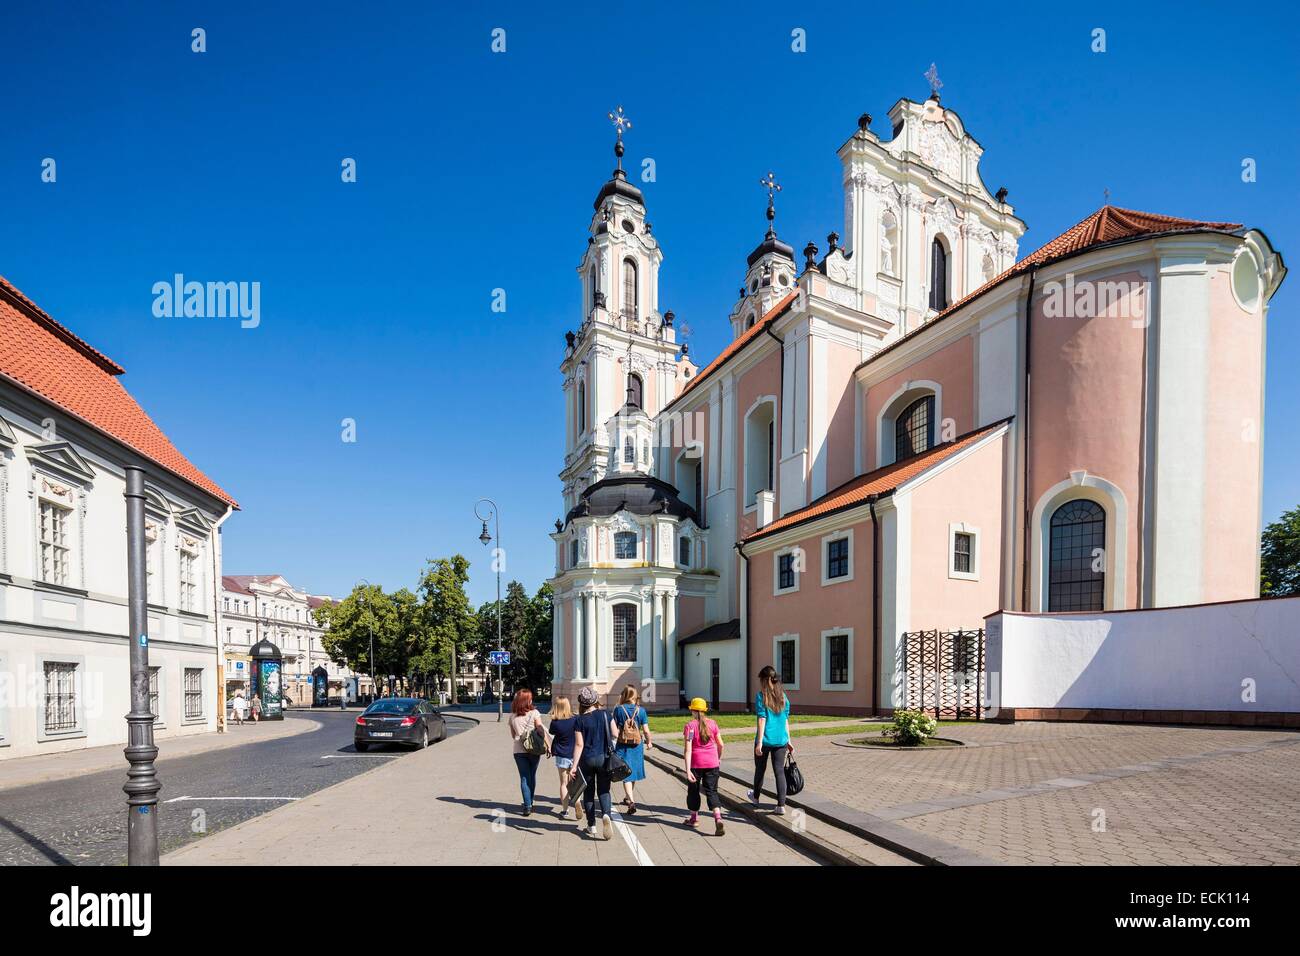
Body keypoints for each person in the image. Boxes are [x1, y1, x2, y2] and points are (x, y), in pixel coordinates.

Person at [571, 686, 617, 840]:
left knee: (588, 792)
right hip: (604, 758)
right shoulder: (606, 714)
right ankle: (606, 815)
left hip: (587, 760)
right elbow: (615, 733)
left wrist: (574, 766)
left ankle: (591, 825)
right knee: (604, 790)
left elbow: (579, 745)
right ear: (596, 700)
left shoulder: (579, 720)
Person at [747, 665, 792, 815]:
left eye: (761, 680)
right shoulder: (783, 697)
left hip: (765, 740)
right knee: (779, 771)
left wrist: (759, 742)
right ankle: (781, 806)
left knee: (760, 769)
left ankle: (755, 797)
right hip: (781, 740)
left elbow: (762, 719)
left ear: (765, 680)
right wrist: (789, 740)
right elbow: (786, 720)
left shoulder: (761, 697)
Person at [682, 697, 724, 835]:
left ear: (693, 711)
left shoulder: (690, 726)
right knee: (712, 791)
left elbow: (688, 750)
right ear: (704, 711)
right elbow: (721, 744)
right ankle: (718, 818)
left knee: (693, 791)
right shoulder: (713, 724)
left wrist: (688, 770)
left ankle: (694, 819)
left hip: (696, 763)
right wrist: (718, 758)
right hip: (712, 763)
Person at [611, 685, 651, 815]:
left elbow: (615, 730)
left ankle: (630, 799)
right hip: (637, 745)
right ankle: (629, 798)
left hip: (623, 745)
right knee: (632, 771)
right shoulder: (641, 711)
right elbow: (645, 730)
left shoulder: (618, 710)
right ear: (635, 696)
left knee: (625, 772)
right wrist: (649, 742)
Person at [508, 688, 547, 816]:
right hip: (534, 749)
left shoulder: (512, 716)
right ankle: (531, 800)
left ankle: (527, 805)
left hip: (519, 750)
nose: (532, 699)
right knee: (532, 774)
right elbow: (541, 730)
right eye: (530, 698)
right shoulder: (534, 713)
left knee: (524, 777)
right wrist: (547, 744)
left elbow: (513, 735)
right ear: (527, 700)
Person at [547, 697, 579, 819]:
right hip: (575, 754)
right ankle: (577, 802)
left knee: (564, 784)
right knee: (576, 782)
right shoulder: (575, 719)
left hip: (561, 755)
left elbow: (552, 732)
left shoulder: (555, 722)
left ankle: (565, 811)